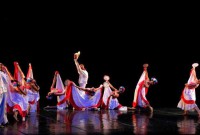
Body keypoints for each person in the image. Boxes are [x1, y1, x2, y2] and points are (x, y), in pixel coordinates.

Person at [0, 63, 9, 128]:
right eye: (1, 65)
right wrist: (5, 71)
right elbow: (6, 81)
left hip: (4, 90)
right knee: (1, 107)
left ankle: (2, 121)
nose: (3, 66)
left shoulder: (2, 73)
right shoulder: (1, 73)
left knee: (3, 107)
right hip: (1, 91)